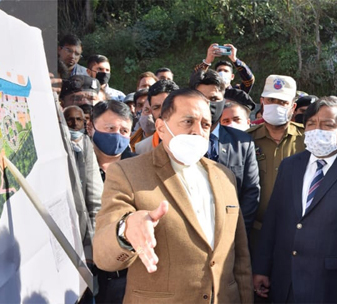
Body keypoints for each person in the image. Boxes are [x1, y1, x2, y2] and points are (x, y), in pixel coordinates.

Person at [92, 89, 253, 303]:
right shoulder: (127, 173)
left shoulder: (225, 176)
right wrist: (125, 230)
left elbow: (240, 256)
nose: (198, 131)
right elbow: (103, 255)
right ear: (161, 127)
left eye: (205, 124)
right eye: (188, 122)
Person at [252, 97, 337, 303]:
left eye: (327, 125)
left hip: (332, 288)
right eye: (311, 124)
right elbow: (273, 220)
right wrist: (262, 267)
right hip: (285, 283)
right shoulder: (289, 166)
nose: (317, 130)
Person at [190, 70, 261, 236]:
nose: (208, 104)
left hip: (232, 236)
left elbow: (251, 192)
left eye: (214, 99)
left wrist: (235, 232)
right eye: (202, 98)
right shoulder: (179, 141)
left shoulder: (242, 142)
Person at [86, 101, 137, 304]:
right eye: (110, 128)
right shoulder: (73, 166)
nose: (117, 135)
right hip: (86, 273)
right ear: (91, 127)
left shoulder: (140, 169)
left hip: (126, 278)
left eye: (124, 130)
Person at [246, 75, 306, 245]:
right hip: (256, 231)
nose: (276, 106)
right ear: (262, 101)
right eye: (271, 100)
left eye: (282, 102)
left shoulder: (307, 138)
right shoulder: (246, 139)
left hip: (296, 232)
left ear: (293, 107)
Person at [63, 105, 103, 279]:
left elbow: (95, 200)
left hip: (82, 235)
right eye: (69, 119)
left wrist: (91, 248)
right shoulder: (54, 146)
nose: (74, 123)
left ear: (85, 122)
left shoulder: (87, 146)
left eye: (78, 119)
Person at [134, 79, 178, 155]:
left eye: (166, 105)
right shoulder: (142, 148)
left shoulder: (194, 139)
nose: (162, 112)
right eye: (156, 107)